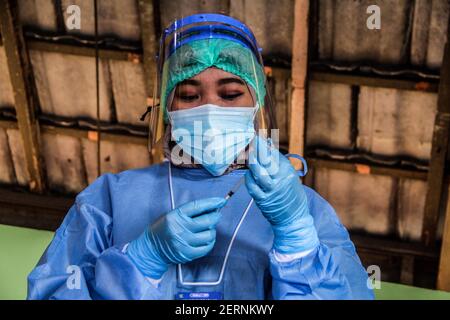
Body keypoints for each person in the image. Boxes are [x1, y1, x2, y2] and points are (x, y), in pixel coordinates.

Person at [27, 13, 374, 300]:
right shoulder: (108, 200)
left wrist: (298, 239)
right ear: (166, 109)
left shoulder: (307, 211)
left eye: (231, 93)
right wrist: (140, 259)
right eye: (190, 95)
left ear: (256, 106)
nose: (210, 108)